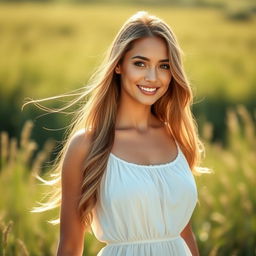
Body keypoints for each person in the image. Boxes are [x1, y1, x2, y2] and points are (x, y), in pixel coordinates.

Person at [27, 11, 211, 256]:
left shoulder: (177, 138)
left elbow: (183, 232)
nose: (152, 77)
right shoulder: (86, 145)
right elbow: (70, 247)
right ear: (118, 66)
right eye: (140, 63)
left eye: (164, 66)